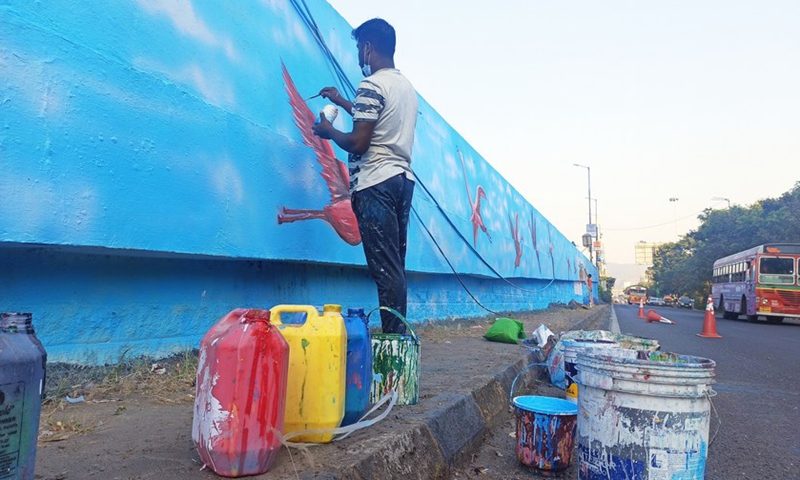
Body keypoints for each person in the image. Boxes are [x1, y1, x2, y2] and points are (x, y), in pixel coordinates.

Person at [312, 18, 418, 334]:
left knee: (385, 269)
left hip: (375, 184)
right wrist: (341, 100)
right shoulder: (405, 87)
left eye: (360, 48)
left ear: (368, 48)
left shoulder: (371, 85)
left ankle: (394, 340)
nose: (360, 56)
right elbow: (374, 117)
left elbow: (360, 141)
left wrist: (328, 131)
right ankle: (397, 334)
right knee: (394, 265)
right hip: (401, 180)